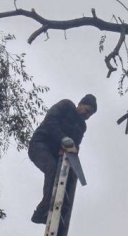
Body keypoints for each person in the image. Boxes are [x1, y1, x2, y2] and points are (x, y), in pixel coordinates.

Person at [28, 94, 98, 224]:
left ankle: (62, 211)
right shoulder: (66, 106)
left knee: (70, 177)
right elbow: (50, 120)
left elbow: (75, 144)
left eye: (90, 115)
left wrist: (73, 150)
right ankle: (41, 212)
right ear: (80, 104)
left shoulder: (82, 126)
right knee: (52, 169)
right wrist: (62, 138)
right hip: (40, 144)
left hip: (56, 154)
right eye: (87, 111)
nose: (87, 115)